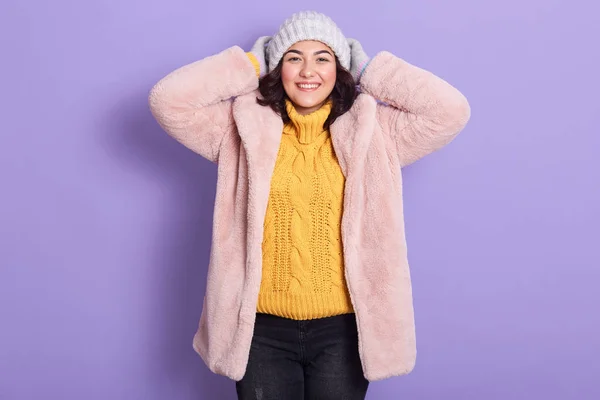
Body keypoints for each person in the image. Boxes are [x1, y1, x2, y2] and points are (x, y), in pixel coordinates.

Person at [148, 10, 470, 400]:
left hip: (343, 331)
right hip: (259, 331)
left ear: (340, 69)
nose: (308, 71)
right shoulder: (240, 130)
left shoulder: (375, 134)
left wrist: (368, 69)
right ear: (276, 67)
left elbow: (450, 110)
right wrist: (250, 63)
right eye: (293, 58)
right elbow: (168, 101)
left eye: (323, 58)